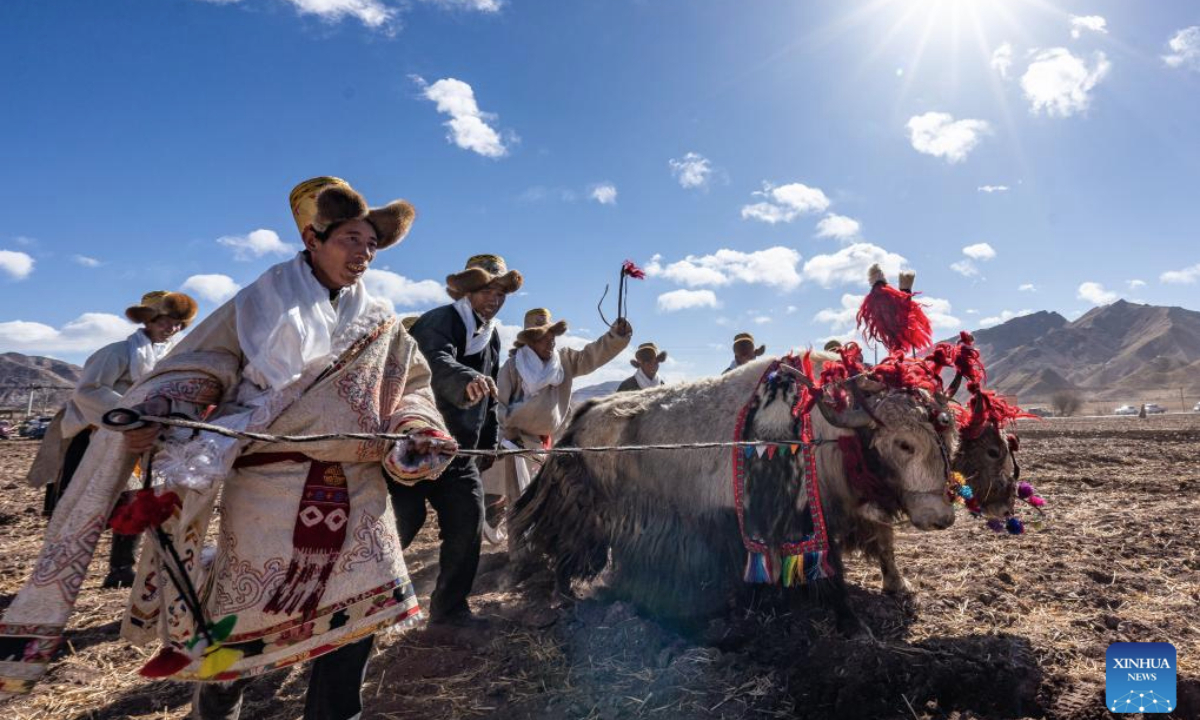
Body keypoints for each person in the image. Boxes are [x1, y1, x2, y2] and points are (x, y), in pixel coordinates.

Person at [0, 177, 457, 719]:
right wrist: (158, 411)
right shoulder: (258, 304)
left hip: (360, 490)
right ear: (313, 238)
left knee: (358, 625)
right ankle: (215, 708)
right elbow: (199, 367)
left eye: (371, 245)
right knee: (244, 628)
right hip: (269, 489)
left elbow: (412, 386)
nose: (363, 253)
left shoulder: (382, 322)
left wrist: (416, 424)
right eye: (350, 239)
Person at [28, 290, 196, 588]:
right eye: (166, 320)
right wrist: (134, 414)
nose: (171, 328)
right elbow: (88, 391)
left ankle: (121, 568)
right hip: (96, 435)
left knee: (135, 500)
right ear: (150, 320)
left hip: (140, 439)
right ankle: (53, 574)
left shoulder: (173, 357)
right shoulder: (117, 352)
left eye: (177, 323)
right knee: (81, 503)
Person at [391, 254, 522, 626]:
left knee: (468, 523)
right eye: (486, 290)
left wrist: (489, 441)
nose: (494, 299)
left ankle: (449, 611)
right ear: (467, 292)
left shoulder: (490, 334)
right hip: (415, 447)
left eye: (500, 292)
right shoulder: (439, 321)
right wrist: (466, 379)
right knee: (403, 522)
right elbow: (433, 362)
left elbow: (491, 390)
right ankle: (364, 602)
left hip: (459, 451)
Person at [490, 309, 631, 525]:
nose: (550, 342)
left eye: (552, 336)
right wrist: (505, 437)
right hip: (517, 445)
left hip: (553, 443)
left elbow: (591, 355)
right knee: (520, 500)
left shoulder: (564, 361)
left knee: (551, 499)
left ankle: (543, 547)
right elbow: (498, 405)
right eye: (542, 338)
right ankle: (520, 554)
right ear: (529, 341)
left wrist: (615, 337)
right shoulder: (511, 368)